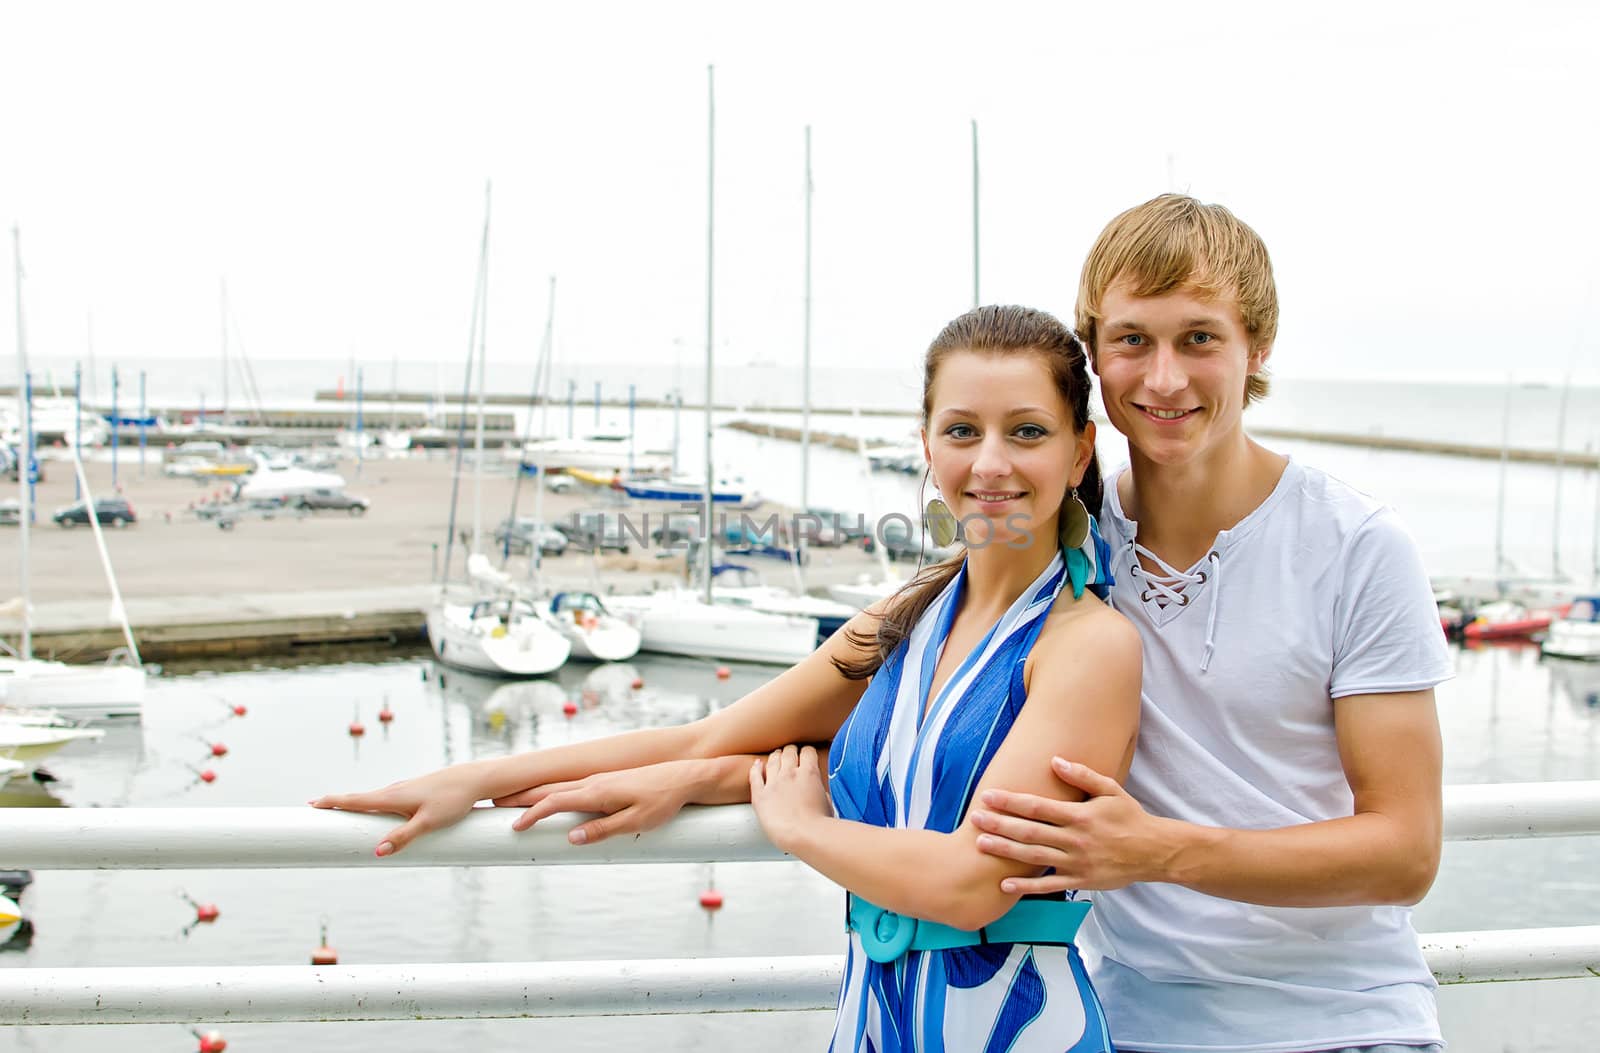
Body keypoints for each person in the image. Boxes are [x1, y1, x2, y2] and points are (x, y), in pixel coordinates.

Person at [314, 305, 1143, 1051]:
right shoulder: (909, 617)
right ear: (926, 446)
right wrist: (480, 776)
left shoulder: (1085, 644)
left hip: (1019, 1030)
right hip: (869, 1026)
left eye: (1027, 431)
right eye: (963, 430)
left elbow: (970, 885)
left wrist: (801, 827)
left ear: (1079, 452)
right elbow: (711, 733)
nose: (990, 461)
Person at [966, 195, 1452, 1053]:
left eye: (1198, 338)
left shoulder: (1357, 545)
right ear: (1093, 354)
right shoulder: (1062, 534)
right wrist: (695, 766)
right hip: (1127, 1025)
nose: (1162, 378)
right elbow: (885, 669)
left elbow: (1406, 851)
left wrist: (1155, 851)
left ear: (1255, 347)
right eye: (1132, 340)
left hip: (1346, 1025)